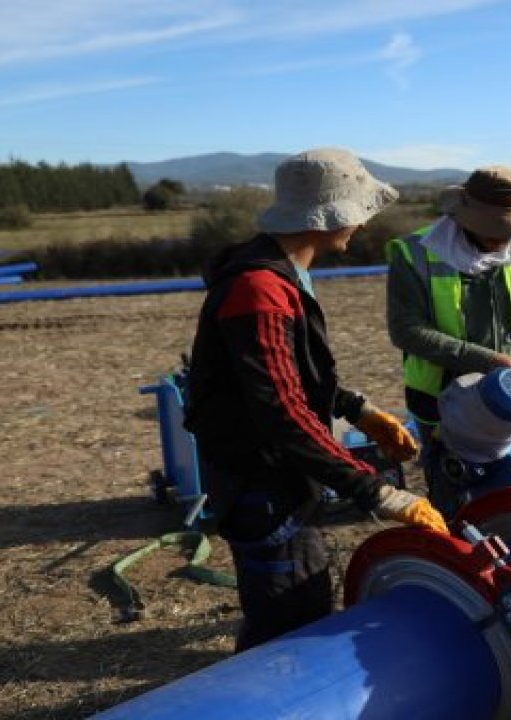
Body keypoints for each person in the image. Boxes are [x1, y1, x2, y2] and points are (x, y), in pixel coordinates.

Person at [184, 148, 447, 652]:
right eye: (358, 211)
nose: (363, 223)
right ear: (331, 215)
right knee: (289, 619)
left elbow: (290, 377)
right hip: (261, 481)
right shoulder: (259, 288)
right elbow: (280, 407)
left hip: (278, 473)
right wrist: (375, 491)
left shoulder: (282, 274)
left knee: (297, 601)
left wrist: (356, 409)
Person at [385, 165, 511, 516]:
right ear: (465, 217)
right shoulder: (416, 254)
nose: (504, 237)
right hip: (445, 397)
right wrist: (484, 360)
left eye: (510, 228)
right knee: (458, 487)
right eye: (495, 227)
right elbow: (407, 330)